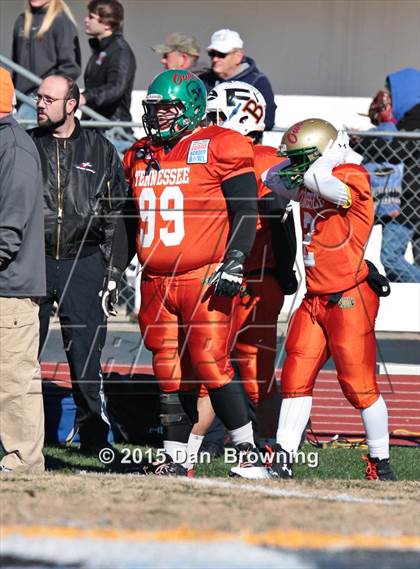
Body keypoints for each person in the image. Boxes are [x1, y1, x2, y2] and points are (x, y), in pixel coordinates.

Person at [102, 69, 269, 479]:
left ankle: (248, 454)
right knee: (168, 368)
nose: (159, 117)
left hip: (204, 273)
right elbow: (129, 219)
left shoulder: (220, 145)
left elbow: (246, 209)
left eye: (168, 109)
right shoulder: (139, 154)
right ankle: (177, 457)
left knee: (212, 363)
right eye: (154, 109)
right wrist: (113, 270)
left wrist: (235, 260)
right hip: (156, 279)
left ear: (193, 108)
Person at [263, 118, 396, 481]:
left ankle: (380, 463)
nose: (297, 165)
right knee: (294, 376)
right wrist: (305, 159)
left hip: (348, 297)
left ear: (325, 152)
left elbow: (320, 182)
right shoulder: (312, 178)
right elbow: (271, 178)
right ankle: (284, 460)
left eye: (303, 158)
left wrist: (333, 150)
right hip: (315, 297)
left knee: (358, 385)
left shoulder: (351, 175)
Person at [184, 81, 298, 466]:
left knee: (234, 368)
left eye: (216, 116)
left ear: (240, 116)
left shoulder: (260, 160)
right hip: (241, 276)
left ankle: (204, 448)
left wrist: (283, 270)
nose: (209, 123)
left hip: (247, 278)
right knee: (231, 366)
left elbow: (279, 223)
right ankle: (260, 445)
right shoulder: (235, 155)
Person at [29, 74, 127, 455]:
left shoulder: (101, 149)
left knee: (85, 360)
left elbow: (119, 215)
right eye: (38, 97)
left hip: (83, 262)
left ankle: (93, 441)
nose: (40, 104)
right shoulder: (23, 145)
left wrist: (114, 272)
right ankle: (19, 441)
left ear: (71, 105)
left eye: (49, 99)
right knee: (18, 358)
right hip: (31, 264)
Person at [0, 67, 46, 473]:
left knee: (14, 382)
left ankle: (23, 461)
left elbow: (8, 231)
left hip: (9, 288)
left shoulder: (13, 147)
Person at [352, 68, 420, 283]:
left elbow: (399, 152)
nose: (390, 96)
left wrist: (364, 142)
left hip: (410, 198)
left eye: (393, 92)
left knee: (390, 258)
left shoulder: (415, 119)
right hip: (404, 196)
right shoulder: (406, 119)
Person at [80, 0, 136, 154]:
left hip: (113, 132)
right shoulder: (100, 49)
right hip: (95, 129)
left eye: (91, 17)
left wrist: (85, 97)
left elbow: (116, 87)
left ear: (107, 24)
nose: (86, 19)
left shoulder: (120, 51)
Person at [12, 0, 81, 121]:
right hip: (20, 100)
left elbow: (71, 67)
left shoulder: (61, 21)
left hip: (42, 101)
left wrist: (47, 92)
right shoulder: (21, 20)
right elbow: (15, 64)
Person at [200, 29, 277, 132]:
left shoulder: (258, 82)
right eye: (212, 54)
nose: (215, 59)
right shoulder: (204, 80)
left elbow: (267, 121)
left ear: (238, 57)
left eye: (221, 54)